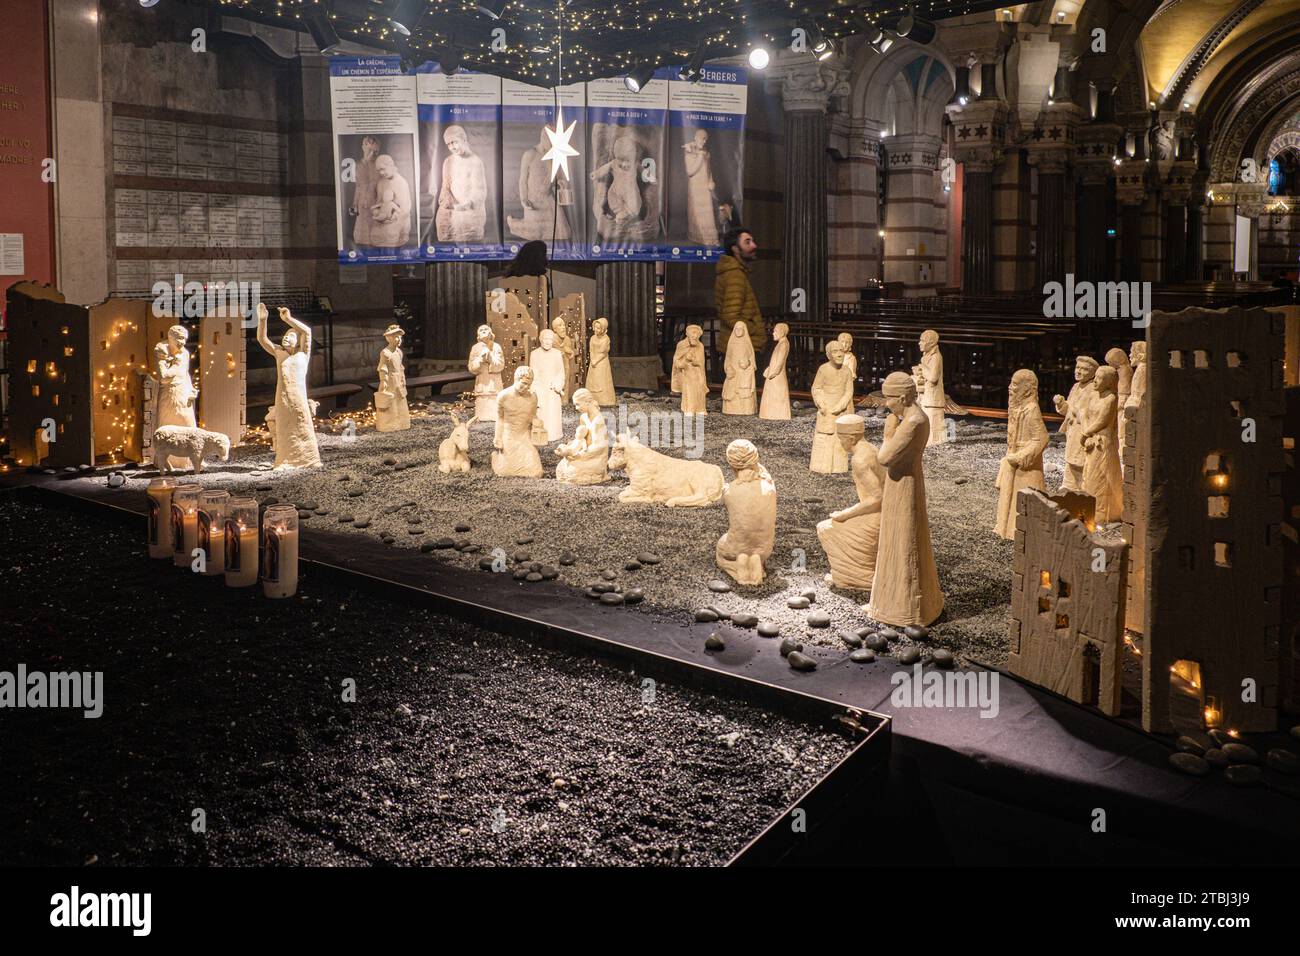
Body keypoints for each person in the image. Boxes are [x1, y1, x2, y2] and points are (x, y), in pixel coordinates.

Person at [866, 371, 944, 627]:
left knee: (904, 539)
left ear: (901, 397)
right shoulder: (912, 417)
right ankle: (892, 601)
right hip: (901, 481)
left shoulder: (913, 422)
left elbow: (884, 457)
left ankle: (904, 607)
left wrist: (889, 431)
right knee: (897, 538)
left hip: (904, 485)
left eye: (888, 398)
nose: (885, 404)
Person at [817, 415, 885, 591]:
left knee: (826, 529)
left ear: (851, 438)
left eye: (841, 438)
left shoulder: (859, 460)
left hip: (878, 517)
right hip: (881, 512)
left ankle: (858, 578)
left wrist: (846, 514)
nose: (840, 442)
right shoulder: (872, 448)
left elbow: (877, 497)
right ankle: (856, 573)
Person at [256, 304, 321, 469]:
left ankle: (308, 459)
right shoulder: (280, 353)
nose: (286, 337)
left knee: (302, 426)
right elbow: (262, 340)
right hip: (283, 398)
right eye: (285, 335)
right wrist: (262, 320)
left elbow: (307, 331)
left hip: (298, 398)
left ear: (298, 341)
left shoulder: (302, 354)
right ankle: (286, 460)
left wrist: (288, 319)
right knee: (285, 429)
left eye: (291, 335)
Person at [993, 370, 1049, 539]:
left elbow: (1041, 438)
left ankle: (1023, 530)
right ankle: (1007, 528)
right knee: (1010, 496)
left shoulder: (1031, 410)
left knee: (1025, 498)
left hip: (1026, 466)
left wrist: (1020, 456)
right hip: (1013, 458)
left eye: (1015, 385)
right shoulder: (1018, 408)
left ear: (1026, 390)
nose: (1010, 387)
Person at [715, 226, 765, 354]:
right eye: (747, 242)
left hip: (740, 345)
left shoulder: (735, 273)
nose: (754, 245)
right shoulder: (735, 276)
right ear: (735, 249)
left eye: (752, 241)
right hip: (743, 348)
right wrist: (756, 330)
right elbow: (730, 316)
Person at [671, 324, 708, 415]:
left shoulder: (700, 346)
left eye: (697, 334)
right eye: (693, 333)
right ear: (687, 334)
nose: (695, 336)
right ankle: (689, 409)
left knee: (699, 391)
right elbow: (676, 360)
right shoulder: (682, 345)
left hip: (698, 373)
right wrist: (684, 361)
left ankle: (700, 408)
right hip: (687, 372)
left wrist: (694, 360)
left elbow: (701, 361)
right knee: (689, 391)